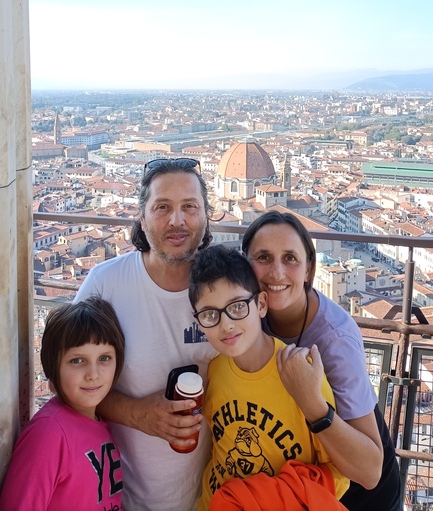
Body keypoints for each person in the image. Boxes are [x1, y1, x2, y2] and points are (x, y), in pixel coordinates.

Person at [74, 158, 218, 511]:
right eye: (162, 207)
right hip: (120, 498)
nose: (177, 220)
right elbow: (67, 380)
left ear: (206, 216)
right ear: (142, 217)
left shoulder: (227, 289)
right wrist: (137, 413)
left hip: (211, 497)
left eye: (190, 207)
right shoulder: (105, 284)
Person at [242, 210, 402, 511]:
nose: (276, 272)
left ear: (308, 269)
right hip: (304, 491)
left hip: (360, 500)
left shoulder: (335, 339)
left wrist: (312, 403)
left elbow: (370, 472)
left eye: (290, 258)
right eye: (263, 257)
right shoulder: (246, 314)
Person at [188, 244, 350, 510]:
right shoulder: (213, 371)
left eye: (237, 307)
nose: (226, 324)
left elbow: (338, 473)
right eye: (210, 315)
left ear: (261, 304)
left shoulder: (301, 373)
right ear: (199, 323)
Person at [0, 296, 125, 511]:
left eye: (104, 358)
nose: (93, 374)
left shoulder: (99, 423)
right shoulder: (49, 434)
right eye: (77, 360)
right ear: (53, 368)